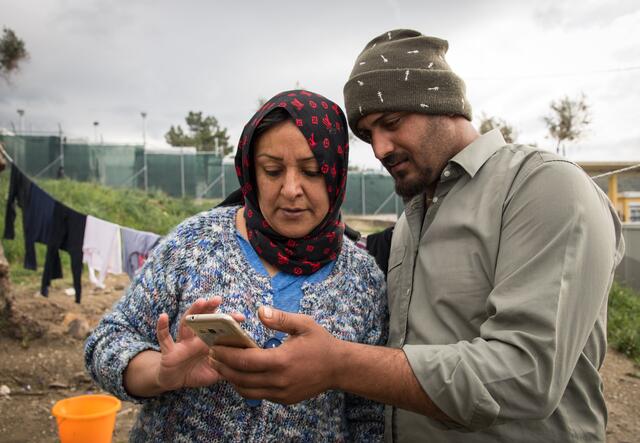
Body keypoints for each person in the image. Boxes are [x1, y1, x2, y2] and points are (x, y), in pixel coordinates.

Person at [212, 30, 625, 442]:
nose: (379, 148)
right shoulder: (414, 217)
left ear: (443, 105)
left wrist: (338, 364)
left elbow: (525, 374)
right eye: (368, 134)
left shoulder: (542, 187)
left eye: (390, 123)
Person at [84, 90, 388, 442]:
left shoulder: (364, 279)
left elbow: (370, 416)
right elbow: (107, 341)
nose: (291, 189)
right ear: (250, 171)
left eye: (312, 170)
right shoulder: (195, 242)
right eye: (272, 170)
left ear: (336, 174)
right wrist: (160, 374)